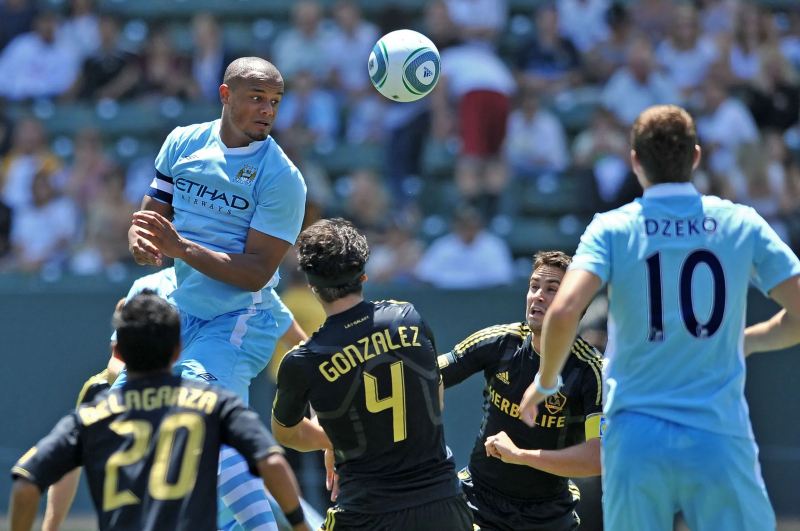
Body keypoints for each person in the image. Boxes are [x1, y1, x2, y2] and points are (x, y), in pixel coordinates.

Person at [519, 105, 800, 531]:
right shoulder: (741, 223)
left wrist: (545, 382)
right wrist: (751, 340)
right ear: (696, 157)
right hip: (718, 436)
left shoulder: (611, 228)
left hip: (635, 438)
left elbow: (564, 311)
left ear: (635, 161)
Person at [124, 56, 307, 531]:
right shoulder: (182, 142)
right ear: (225, 96)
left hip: (240, 319)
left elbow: (255, 273)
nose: (268, 110)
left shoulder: (283, 178)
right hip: (182, 309)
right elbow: (150, 219)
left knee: (200, 417)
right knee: (130, 415)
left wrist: (179, 248)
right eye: (256, 98)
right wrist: (142, 241)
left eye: (275, 101)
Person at [9, 291, 310, 531]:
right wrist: (299, 525)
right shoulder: (213, 403)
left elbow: (25, 484)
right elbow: (271, 461)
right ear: (178, 349)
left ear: (118, 352)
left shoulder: (92, 415)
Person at [271, 218, 474, 531]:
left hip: (364, 516)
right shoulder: (408, 317)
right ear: (364, 275)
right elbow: (435, 401)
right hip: (443, 507)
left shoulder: (301, 361)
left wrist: (337, 440)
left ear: (312, 287)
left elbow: (287, 435)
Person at [439, 251, 602, 531]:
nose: (538, 296)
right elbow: (426, 376)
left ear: (575, 304)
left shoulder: (591, 371)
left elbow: (598, 457)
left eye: (552, 290)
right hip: (477, 503)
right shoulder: (500, 342)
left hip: (549, 514)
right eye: (534, 286)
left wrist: (519, 454)